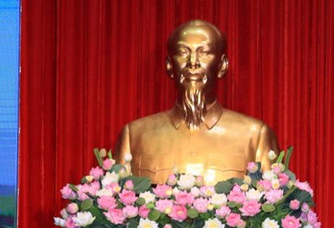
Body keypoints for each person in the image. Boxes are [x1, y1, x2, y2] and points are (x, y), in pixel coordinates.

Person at [113, 19, 279, 184]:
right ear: (170, 65)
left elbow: (277, 203)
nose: (193, 62)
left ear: (222, 66)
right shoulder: (135, 135)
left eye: (204, 52)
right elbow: (116, 204)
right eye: (183, 52)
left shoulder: (255, 135)